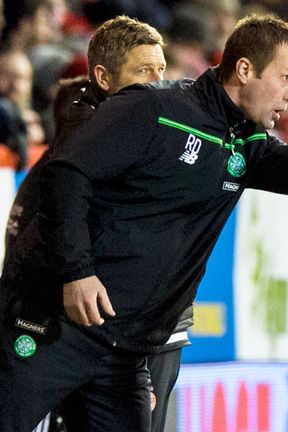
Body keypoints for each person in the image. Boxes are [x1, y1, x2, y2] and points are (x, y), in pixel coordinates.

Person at [0, 14, 288, 432]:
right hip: (55, 323)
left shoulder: (245, 141)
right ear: (245, 70)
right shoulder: (152, 109)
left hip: (126, 348)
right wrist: (76, 272)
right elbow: (68, 174)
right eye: (286, 78)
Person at [2, 15, 191, 432]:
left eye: (162, 70)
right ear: (103, 78)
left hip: (141, 333)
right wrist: (77, 273)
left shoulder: (172, 133)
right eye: (144, 71)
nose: (158, 83)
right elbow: (38, 237)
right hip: (63, 323)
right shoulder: (77, 152)